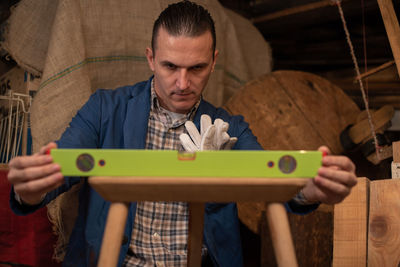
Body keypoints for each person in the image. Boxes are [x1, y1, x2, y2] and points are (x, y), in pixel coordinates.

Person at [7, 1, 357, 266]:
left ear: (214, 61)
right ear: (150, 58)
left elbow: (271, 180)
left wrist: (309, 191)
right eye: (170, 66)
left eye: (197, 68)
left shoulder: (231, 128)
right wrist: (30, 192)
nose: (182, 83)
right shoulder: (104, 109)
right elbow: (57, 173)